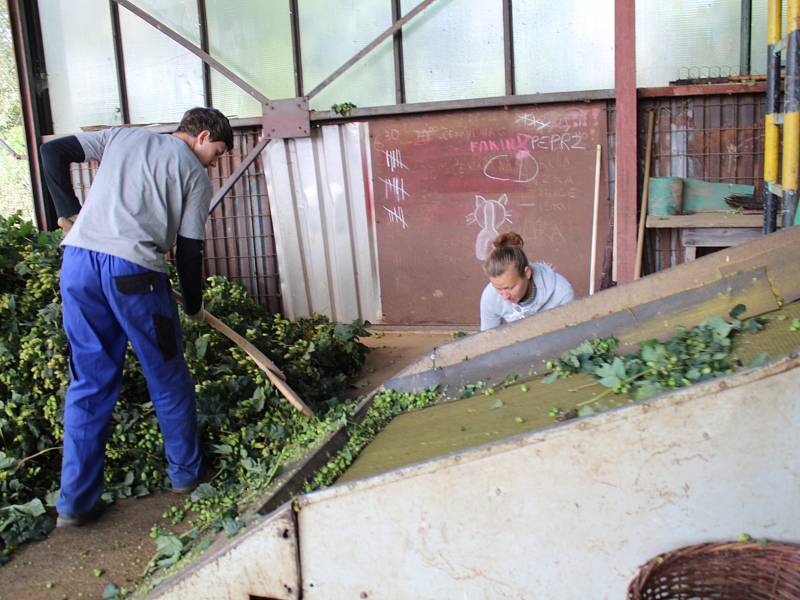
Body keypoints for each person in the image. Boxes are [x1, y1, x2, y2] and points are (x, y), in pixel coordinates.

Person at [39, 107, 233, 527]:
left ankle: (74, 503)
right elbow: (188, 250)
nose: (213, 163)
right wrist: (194, 306)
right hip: (134, 276)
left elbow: (53, 153)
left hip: (76, 266)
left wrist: (65, 214)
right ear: (201, 136)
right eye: (215, 153)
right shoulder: (195, 177)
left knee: (89, 383)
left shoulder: (120, 137)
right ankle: (185, 474)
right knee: (167, 375)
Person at [479, 232, 575, 331]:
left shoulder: (562, 293)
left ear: (527, 273)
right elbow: (487, 337)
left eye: (510, 288)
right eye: (498, 288)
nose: (504, 296)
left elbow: (569, 336)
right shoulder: (490, 295)